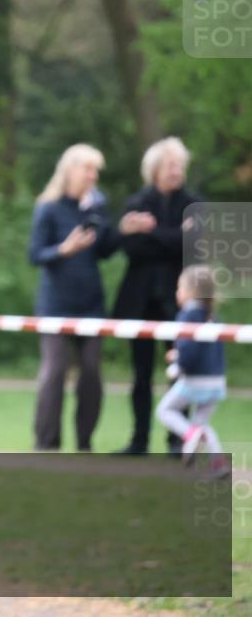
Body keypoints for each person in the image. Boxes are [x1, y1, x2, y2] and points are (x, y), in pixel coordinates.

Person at [28, 144, 154, 452]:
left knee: (92, 373)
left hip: (91, 304)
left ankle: (85, 443)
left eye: (96, 170)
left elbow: (105, 249)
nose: (94, 175)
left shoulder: (95, 208)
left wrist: (123, 230)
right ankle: (47, 444)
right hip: (56, 305)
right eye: (89, 169)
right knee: (55, 371)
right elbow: (35, 254)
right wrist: (63, 250)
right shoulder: (49, 207)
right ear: (70, 170)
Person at [113, 137, 201, 455]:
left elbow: (194, 245)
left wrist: (150, 232)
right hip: (140, 302)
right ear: (155, 170)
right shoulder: (137, 203)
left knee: (181, 372)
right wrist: (174, 235)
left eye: (180, 165)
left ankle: (178, 439)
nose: (177, 171)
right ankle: (139, 439)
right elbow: (130, 248)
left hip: (180, 304)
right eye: (170, 165)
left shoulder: (194, 204)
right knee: (141, 375)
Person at [155, 265, 229, 478]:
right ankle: (218, 464)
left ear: (190, 292)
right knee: (202, 423)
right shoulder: (212, 316)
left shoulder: (188, 315)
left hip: (195, 380)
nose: (177, 292)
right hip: (217, 381)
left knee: (165, 411)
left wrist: (177, 364)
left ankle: (190, 435)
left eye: (179, 288)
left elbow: (188, 347)